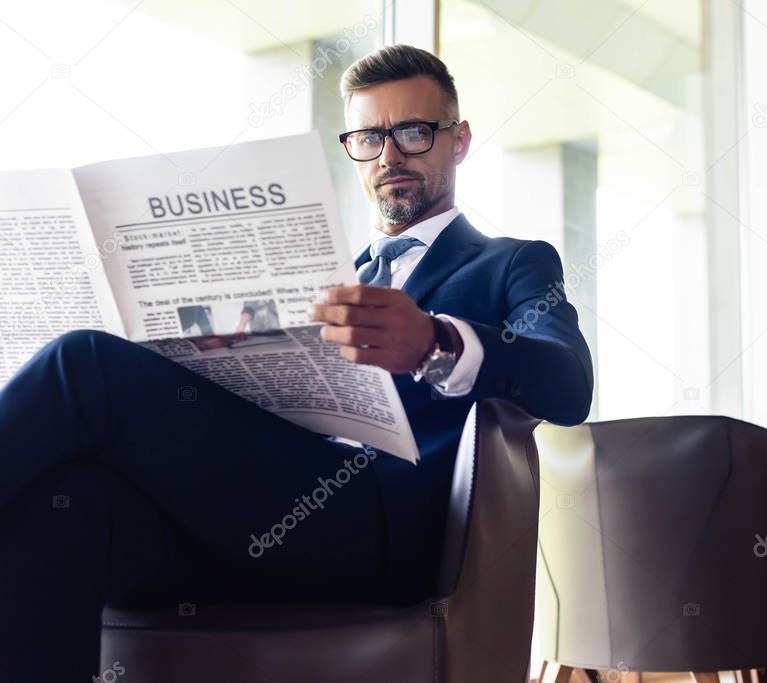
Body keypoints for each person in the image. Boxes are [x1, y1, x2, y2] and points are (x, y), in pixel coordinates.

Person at [0, 44, 592, 682]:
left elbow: (568, 381)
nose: (390, 155)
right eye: (369, 137)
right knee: (71, 508)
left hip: (377, 529)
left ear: (459, 141)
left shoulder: (511, 263)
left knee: (83, 362)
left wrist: (434, 342)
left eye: (414, 133)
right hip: (252, 516)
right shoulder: (330, 273)